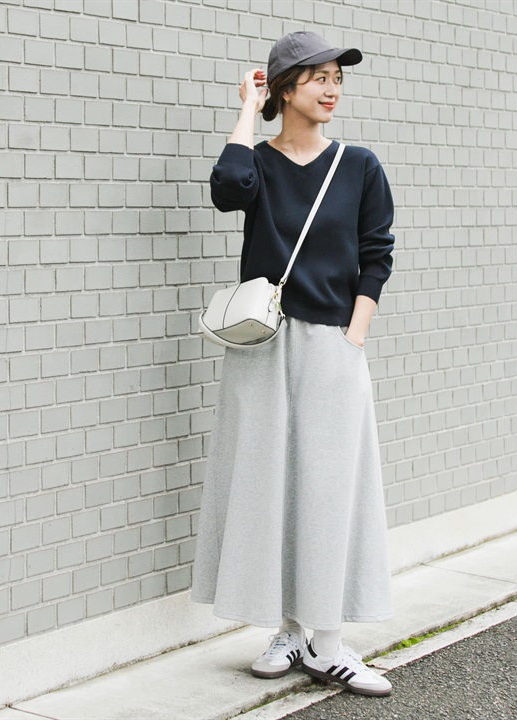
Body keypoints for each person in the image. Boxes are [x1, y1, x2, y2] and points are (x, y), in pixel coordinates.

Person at [191, 31, 395, 697]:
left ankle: (329, 642)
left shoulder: (359, 165)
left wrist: (353, 336)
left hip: (332, 341)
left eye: (337, 78)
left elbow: (377, 253)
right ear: (285, 88)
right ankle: (288, 629)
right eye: (318, 78)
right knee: (269, 484)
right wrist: (247, 109)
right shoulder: (260, 164)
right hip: (263, 345)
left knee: (329, 488)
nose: (332, 89)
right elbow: (228, 190)